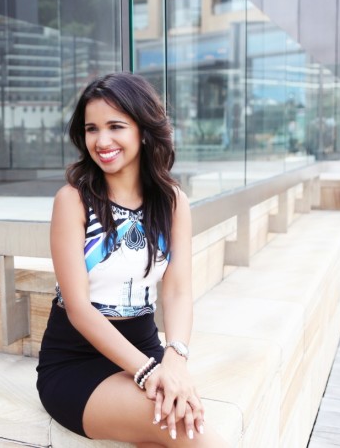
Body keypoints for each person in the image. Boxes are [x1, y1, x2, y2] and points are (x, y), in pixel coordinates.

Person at [36, 72, 228, 447]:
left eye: (115, 126)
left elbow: (177, 291)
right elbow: (78, 308)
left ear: (143, 130)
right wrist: (148, 373)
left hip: (145, 350)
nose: (101, 141)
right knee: (190, 431)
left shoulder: (172, 202)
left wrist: (175, 360)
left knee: (167, 435)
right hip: (76, 364)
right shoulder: (72, 201)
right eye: (92, 129)